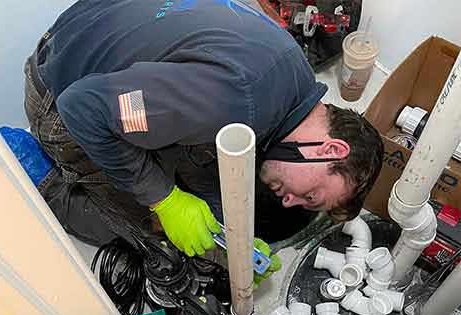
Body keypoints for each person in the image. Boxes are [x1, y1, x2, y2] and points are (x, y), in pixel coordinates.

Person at [24, 0, 383, 288]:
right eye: (311, 196)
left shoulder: (294, 72)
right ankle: (43, 180)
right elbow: (83, 107)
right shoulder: (231, 99)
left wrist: (231, 236)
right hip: (60, 94)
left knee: (199, 163)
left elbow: (210, 150)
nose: (290, 201)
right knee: (155, 234)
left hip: (99, 21)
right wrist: (164, 199)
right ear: (331, 149)